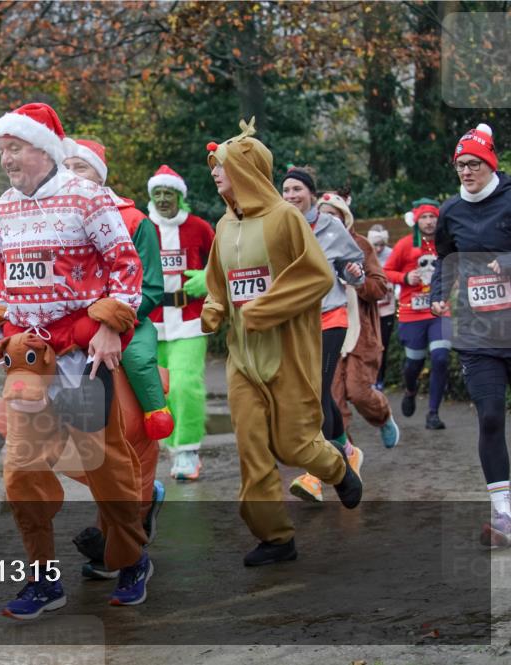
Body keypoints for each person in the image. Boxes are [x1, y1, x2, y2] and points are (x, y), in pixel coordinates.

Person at [0, 102, 151, 616]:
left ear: (44, 147)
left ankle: (132, 557)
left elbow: (126, 268)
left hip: (81, 357)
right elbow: (5, 271)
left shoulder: (87, 197)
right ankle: (43, 580)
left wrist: (108, 325)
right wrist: (2, 315)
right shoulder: (4, 207)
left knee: (104, 468)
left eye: (15, 147)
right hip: (30, 359)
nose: (7, 158)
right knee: (21, 473)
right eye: (2, 149)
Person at [201, 119, 362, 567]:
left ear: (248, 170)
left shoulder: (285, 218)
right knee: (251, 447)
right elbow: (220, 283)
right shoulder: (223, 225)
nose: (215, 173)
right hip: (241, 359)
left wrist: (264, 310)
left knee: (293, 445)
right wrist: (215, 308)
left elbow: (316, 275)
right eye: (214, 166)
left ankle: (337, 468)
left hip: (288, 354)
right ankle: (276, 538)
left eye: (223, 165)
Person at [61, 137, 167, 578]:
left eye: (79, 168)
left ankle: (124, 543)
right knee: (63, 445)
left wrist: (111, 321)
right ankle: (121, 525)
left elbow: (151, 289)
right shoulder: (54, 222)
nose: (70, 176)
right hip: (72, 341)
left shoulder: (135, 220)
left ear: (98, 175)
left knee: (126, 438)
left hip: (125, 331)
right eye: (63, 168)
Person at [430, 123, 511, 547]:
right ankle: (504, 515)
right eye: (460, 165)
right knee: (492, 416)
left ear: (490, 162)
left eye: (473, 163)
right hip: (478, 331)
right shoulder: (451, 211)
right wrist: (438, 295)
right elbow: (446, 256)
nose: (465, 171)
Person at [280, 168, 367, 503]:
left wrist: (352, 271)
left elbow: (353, 266)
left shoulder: (330, 226)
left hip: (330, 318)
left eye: (297, 189)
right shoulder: (280, 225)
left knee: (316, 393)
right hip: (295, 323)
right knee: (313, 393)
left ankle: (319, 471)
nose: (290, 196)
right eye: (286, 190)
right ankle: (347, 452)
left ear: (311, 193)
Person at [145, 164, 215, 481]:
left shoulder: (199, 227)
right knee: (161, 389)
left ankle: (187, 450)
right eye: (157, 193)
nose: (162, 199)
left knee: (186, 384)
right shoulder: (142, 228)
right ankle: (171, 448)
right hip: (153, 321)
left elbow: (223, 259)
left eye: (168, 193)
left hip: (190, 319)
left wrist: (208, 277)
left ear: (179, 197)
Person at [320, 193, 401, 450]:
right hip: (327, 328)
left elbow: (380, 286)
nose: (328, 220)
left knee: (358, 392)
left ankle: (383, 416)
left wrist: (358, 281)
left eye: (333, 214)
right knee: (333, 399)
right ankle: (347, 455)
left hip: (359, 332)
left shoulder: (361, 245)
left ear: (345, 217)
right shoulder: (311, 244)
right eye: (323, 215)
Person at [383, 198, 452, 430]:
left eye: (433, 216)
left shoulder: (446, 244)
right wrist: (404, 278)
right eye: (424, 217)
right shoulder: (404, 245)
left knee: (441, 358)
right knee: (414, 363)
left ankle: (433, 413)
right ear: (416, 220)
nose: (430, 221)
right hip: (412, 314)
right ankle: (410, 389)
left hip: (439, 311)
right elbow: (386, 272)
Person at [367, 224, 396, 390]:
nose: (378, 249)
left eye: (381, 245)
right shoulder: (363, 253)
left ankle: (379, 379)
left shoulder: (391, 254)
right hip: (369, 308)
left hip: (387, 308)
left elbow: (396, 273)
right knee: (370, 345)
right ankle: (368, 378)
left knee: (382, 345)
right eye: (375, 245)